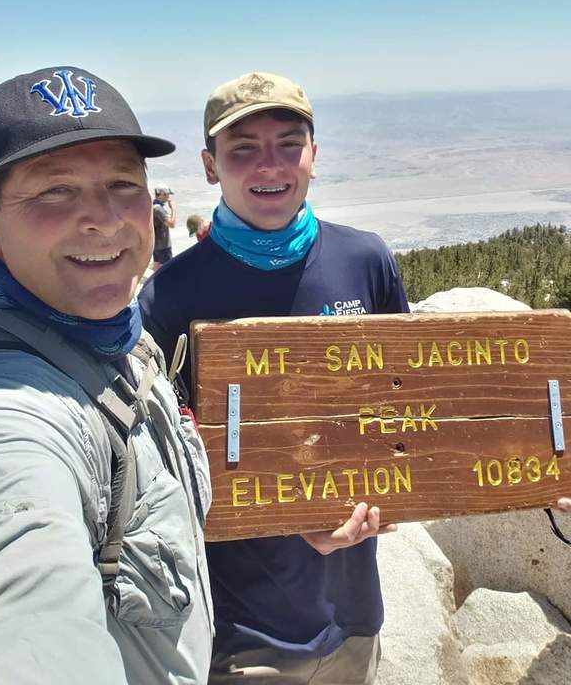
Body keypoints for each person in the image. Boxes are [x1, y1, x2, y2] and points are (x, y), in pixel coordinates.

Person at [0, 67, 213, 685]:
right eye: (55, 191)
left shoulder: (107, 340)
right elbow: (15, 608)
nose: (104, 219)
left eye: (122, 183)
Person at [140, 70, 408, 685]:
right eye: (243, 149)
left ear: (315, 155)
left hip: (355, 612)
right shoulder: (172, 295)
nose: (270, 165)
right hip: (241, 631)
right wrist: (288, 517)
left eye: (289, 143)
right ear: (211, 166)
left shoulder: (366, 261)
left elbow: (402, 410)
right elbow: (160, 477)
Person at [152, 185, 176, 269]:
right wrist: (173, 209)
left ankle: (154, 281)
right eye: (168, 194)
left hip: (156, 244)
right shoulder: (158, 209)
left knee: (156, 266)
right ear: (162, 194)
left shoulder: (153, 205)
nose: (169, 197)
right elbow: (172, 224)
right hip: (163, 245)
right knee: (169, 269)